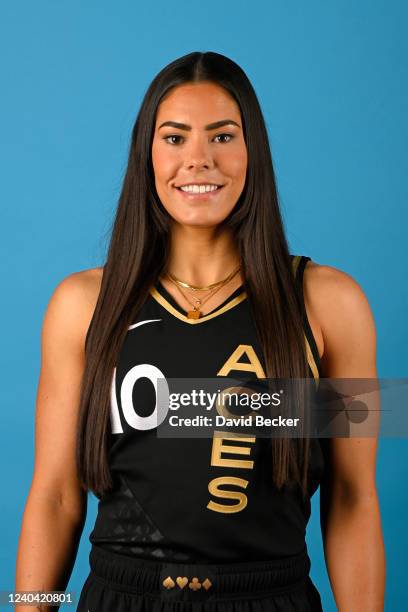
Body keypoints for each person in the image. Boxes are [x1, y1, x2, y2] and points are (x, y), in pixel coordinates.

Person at [15, 51, 385, 611]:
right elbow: (55, 496)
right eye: (174, 138)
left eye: (222, 136)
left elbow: (354, 496)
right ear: (147, 155)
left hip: (269, 596)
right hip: (122, 596)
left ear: (252, 151)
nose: (197, 160)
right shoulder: (82, 304)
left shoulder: (332, 304)